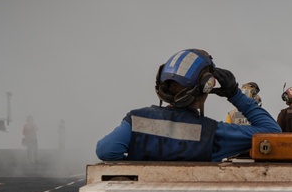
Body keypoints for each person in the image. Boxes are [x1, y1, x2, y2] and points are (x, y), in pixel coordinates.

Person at [96, 49, 280, 162]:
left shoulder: (136, 121)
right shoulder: (213, 133)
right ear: (205, 88)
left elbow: (106, 150)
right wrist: (235, 95)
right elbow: (273, 133)